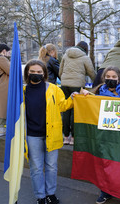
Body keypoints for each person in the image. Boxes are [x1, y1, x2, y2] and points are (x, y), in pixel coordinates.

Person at [81, 66, 120, 204]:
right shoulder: (99, 91)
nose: (111, 79)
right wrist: (82, 95)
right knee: (106, 163)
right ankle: (105, 191)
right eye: (108, 77)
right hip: (107, 135)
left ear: (119, 78)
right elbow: (92, 105)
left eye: (114, 77)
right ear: (104, 78)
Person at [24, 60, 75, 204]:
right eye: (32, 72)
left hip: (51, 134)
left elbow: (63, 106)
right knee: (36, 168)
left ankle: (50, 194)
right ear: (27, 72)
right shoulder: (22, 90)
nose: (36, 74)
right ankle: (40, 196)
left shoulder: (53, 88)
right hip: (32, 135)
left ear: (44, 73)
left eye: (39, 72)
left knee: (52, 167)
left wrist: (73, 97)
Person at [59, 41, 96, 145]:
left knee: (66, 110)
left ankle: (65, 136)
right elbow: (91, 73)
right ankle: (74, 138)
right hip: (77, 85)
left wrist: (64, 79)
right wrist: (97, 83)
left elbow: (60, 71)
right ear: (86, 49)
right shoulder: (84, 57)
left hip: (64, 85)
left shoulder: (66, 55)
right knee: (75, 112)